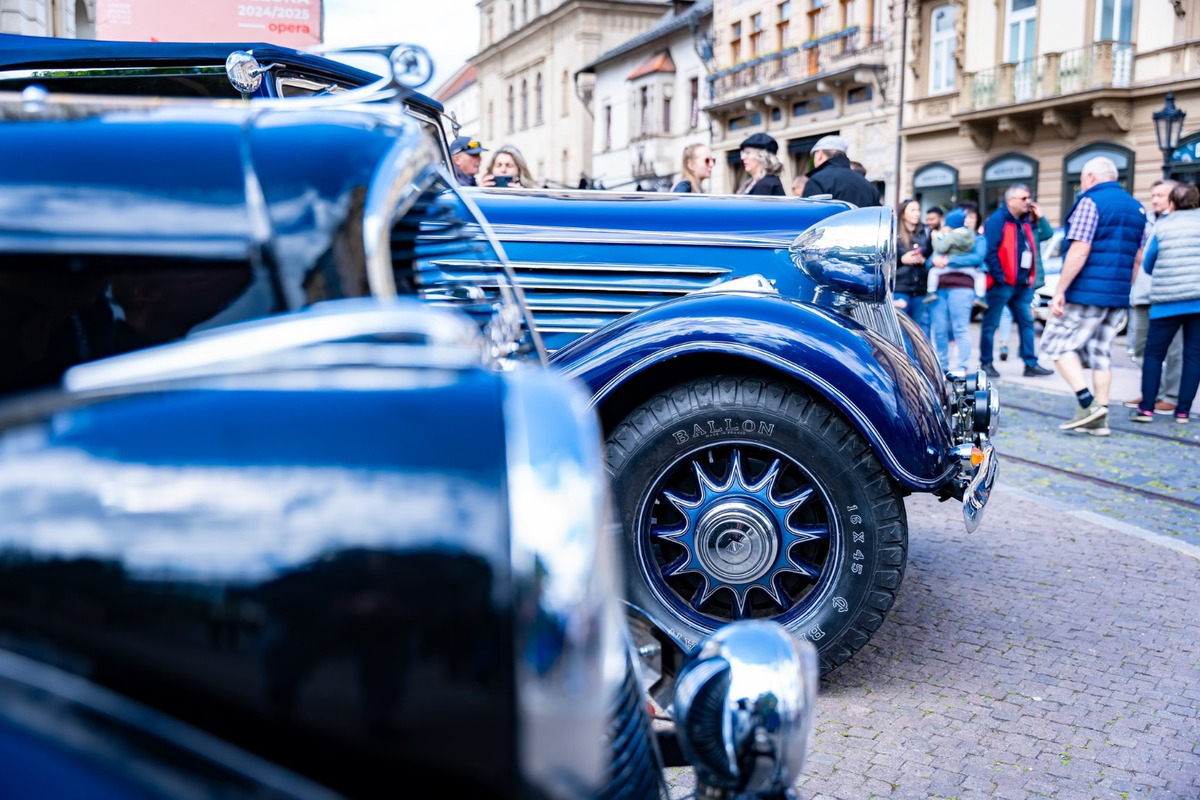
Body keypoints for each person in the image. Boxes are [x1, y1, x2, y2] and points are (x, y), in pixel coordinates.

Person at [1043, 156, 1146, 435]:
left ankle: (1089, 404)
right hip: (1117, 294)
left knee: (1055, 344)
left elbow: (1079, 250)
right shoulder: (1137, 208)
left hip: (1087, 291)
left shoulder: (1090, 202)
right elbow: (1138, 257)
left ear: (1089, 177)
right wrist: (1126, 287)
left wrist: (1060, 291)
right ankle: (1100, 421)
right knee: (1101, 354)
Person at [1129, 181, 1200, 425]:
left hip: (1166, 302)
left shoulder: (1163, 225)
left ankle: (1147, 409)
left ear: (1172, 203)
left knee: (1153, 354)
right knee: (1194, 356)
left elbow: (1148, 265)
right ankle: (1182, 412)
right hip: (1198, 303)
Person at [979, 184, 1055, 379]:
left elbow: (1046, 234)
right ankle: (986, 362)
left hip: (1022, 285)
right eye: (1023, 198)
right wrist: (1000, 277)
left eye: (1029, 197)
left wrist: (1040, 216)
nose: (1028, 202)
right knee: (990, 324)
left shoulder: (1027, 220)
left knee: (1027, 322)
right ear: (1010, 200)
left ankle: (1030, 363)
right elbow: (991, 251)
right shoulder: (996, 221)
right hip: (1002, 284)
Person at [1124, 179, 1184, 414]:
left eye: (1162, 195)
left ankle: (1171, 396)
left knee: (1174, 349)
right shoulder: (1145, 220)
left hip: (1169, 295)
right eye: (1154, 195)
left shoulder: (1181, 221)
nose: (1156, 199)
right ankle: (1151, 392)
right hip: (1141, 293)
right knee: (1140, 347)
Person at [926, 205, 987, 373]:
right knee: (939, 329)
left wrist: (949, 260)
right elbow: (930, 260)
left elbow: (977, 258)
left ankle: (961, 367)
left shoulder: (978, 239)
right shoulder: (946, 236)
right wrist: (933, 261)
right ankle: (942, 366)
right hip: (939, 289)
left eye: (971, 217)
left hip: (962, 287)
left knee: (960, 328)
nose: (968, 220)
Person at [800, 134, 880, 207]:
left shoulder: (818, 180)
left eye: (814, 155)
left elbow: (808, 217)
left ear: (820, 155)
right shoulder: (867, 185)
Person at [893, 197, 932, 338]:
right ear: (903, 213)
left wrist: (923, 260)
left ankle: (919, 360)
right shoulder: (893, 233)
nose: (917, 213)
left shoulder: (925, 232)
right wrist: (901, 259)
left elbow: (931, 256)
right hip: (900, 287)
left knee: (919, 332)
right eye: (913, 210)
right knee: (900, 330)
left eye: (918, 210)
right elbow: (885, 258)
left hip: (920, 288)